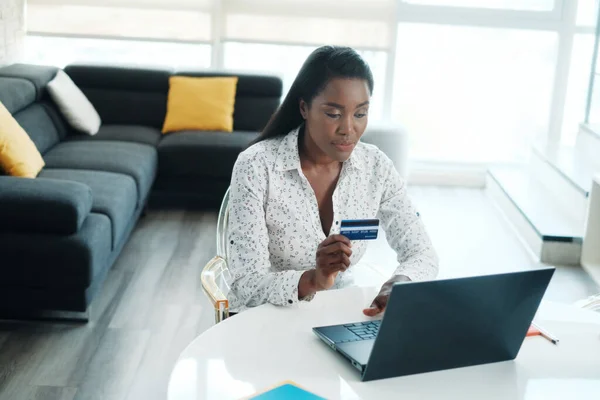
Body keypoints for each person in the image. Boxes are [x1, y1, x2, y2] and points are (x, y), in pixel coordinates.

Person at [227, 45, 438, 315]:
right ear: (304, 107)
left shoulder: (376, 168)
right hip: (265, 318)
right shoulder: (256, 166)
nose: (348, 129)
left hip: (338, 313)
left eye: (360, 114)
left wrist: (401, 283)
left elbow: (422, 253)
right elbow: (246, 284)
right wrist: (314, 280)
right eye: (333, 114)